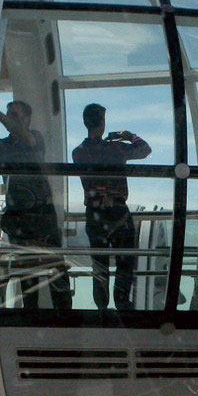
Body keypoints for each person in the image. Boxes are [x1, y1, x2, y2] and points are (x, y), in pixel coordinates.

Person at [70, 102, 152, 312]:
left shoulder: (78, 152)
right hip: (117, 211)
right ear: (102, 123)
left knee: (99, 263)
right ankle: (122, 303)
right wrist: (129, 135)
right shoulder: (115, 148)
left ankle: (101, 307)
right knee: (125, 260)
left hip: (95, 213)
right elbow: (145, 150)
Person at [0, 99, 69, 309]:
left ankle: (66, 319)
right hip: (19, 218)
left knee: (55, 270)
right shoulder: (3, 145)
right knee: (27, 275)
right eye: (9, 115)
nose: (10, 120)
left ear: (27, 119)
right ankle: (31, 317)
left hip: (42, 215)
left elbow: (27, 139)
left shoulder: (35, 137)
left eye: (15, 116)